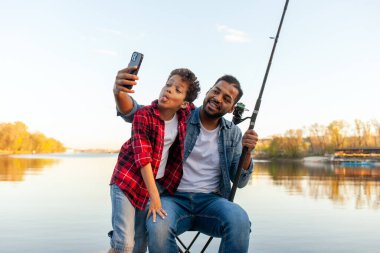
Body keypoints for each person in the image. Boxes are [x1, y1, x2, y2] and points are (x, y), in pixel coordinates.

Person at [114, 66, 258, 253]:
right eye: (216, 91)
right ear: (208, 92)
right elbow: (137, 113)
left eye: (226, 99)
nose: (218, 98)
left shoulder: (233, 133)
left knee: (240, 220)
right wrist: (119, 92)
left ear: (231, 108)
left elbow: (241, 181)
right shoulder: (181, 114)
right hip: (172, 199)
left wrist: (247, 151)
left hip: (211, 202)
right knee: (158, 226)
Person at [108, 68, 201, 253]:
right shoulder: (144, 116)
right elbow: (143, 159)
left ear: (184, 104)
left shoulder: (184, 115)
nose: (168, 90)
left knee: (140, 245)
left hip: (152, 185)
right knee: (124, 245)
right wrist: (155, 198)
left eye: (177, 90)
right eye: (168, 85)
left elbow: (206, 113)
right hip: (127, 181)